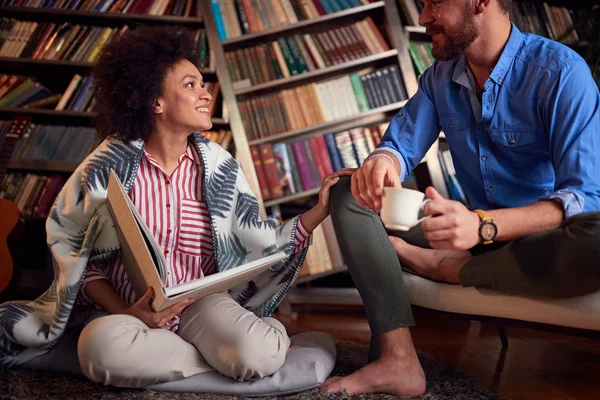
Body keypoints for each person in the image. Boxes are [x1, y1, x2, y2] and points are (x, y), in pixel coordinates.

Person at [0, 25, 354, 386]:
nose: (205, 93)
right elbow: (77, 258)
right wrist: (126, 312)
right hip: (128, 311)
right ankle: (242, 368)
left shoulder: (221, 167)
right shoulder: (105, 168)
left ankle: (230, 356)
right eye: (190, 85)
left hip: (202, 304)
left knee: (257, 352)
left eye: (203, 84)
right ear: (156, 100)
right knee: (99, 348)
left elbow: (258, 244)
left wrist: (318, 211)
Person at [323, 0, 600, 396]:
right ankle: (397, 358)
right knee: (348, 191)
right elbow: (399, 145)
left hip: (542, 240)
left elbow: (584, 198)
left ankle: (451, 268)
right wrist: (383, 161)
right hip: (469, 234)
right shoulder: (440, 78)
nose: (422, 17)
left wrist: (483, 225)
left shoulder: (560, 72)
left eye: (434, 2)